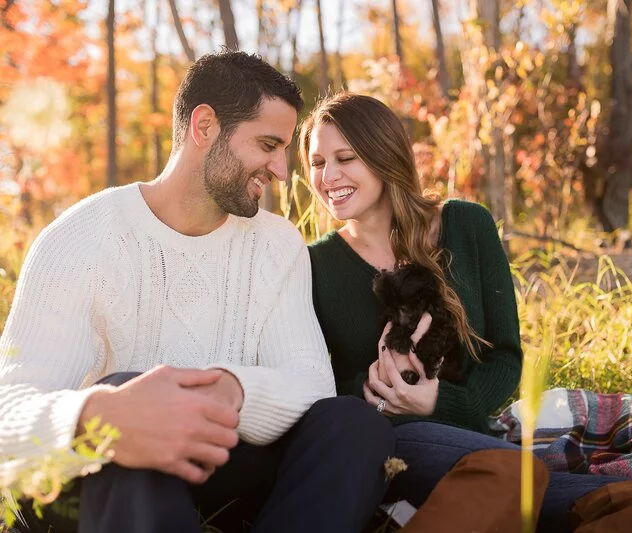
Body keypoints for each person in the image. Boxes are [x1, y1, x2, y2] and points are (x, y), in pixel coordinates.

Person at [0, 52, 395, 533]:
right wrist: (100, 413)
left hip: (224, 461)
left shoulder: (276, 244)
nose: (281, 170)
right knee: (124, 389)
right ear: (204, 126)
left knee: (354, 425)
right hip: (112, 478)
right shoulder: (80, 239)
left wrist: (230, 389)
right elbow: (10, 408)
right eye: (268, 144)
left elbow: (310, 383)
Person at [301, 92, 624, 532]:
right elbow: (317, 383)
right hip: (387, 441)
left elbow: (506, 356)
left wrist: (444, 401)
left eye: (346, 158)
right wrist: (371, 387)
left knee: (610, 499)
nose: (329, 176)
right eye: (318, 163)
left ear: (383, 156)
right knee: (584, 495)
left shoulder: (466, 225)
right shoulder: (315, 265)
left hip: (470, 431)